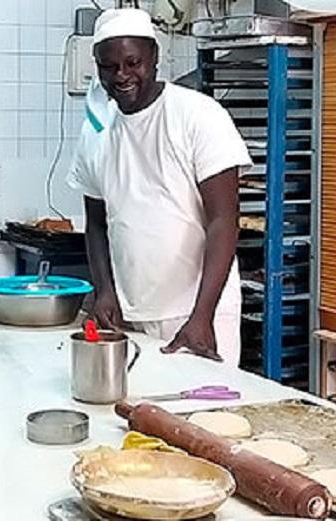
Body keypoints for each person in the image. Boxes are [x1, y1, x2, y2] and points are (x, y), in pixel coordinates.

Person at [68, 8, 251, 366]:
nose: (122, 75)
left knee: (204, 417)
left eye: (132, 62)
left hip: (199, 311)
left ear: (154, 57)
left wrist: (202, 317)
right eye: (109, 66)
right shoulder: (96, 132)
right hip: (131, 311)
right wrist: (105, 292)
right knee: (139, 417)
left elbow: (223, 223)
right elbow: (97, 223)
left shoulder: (198, 116)